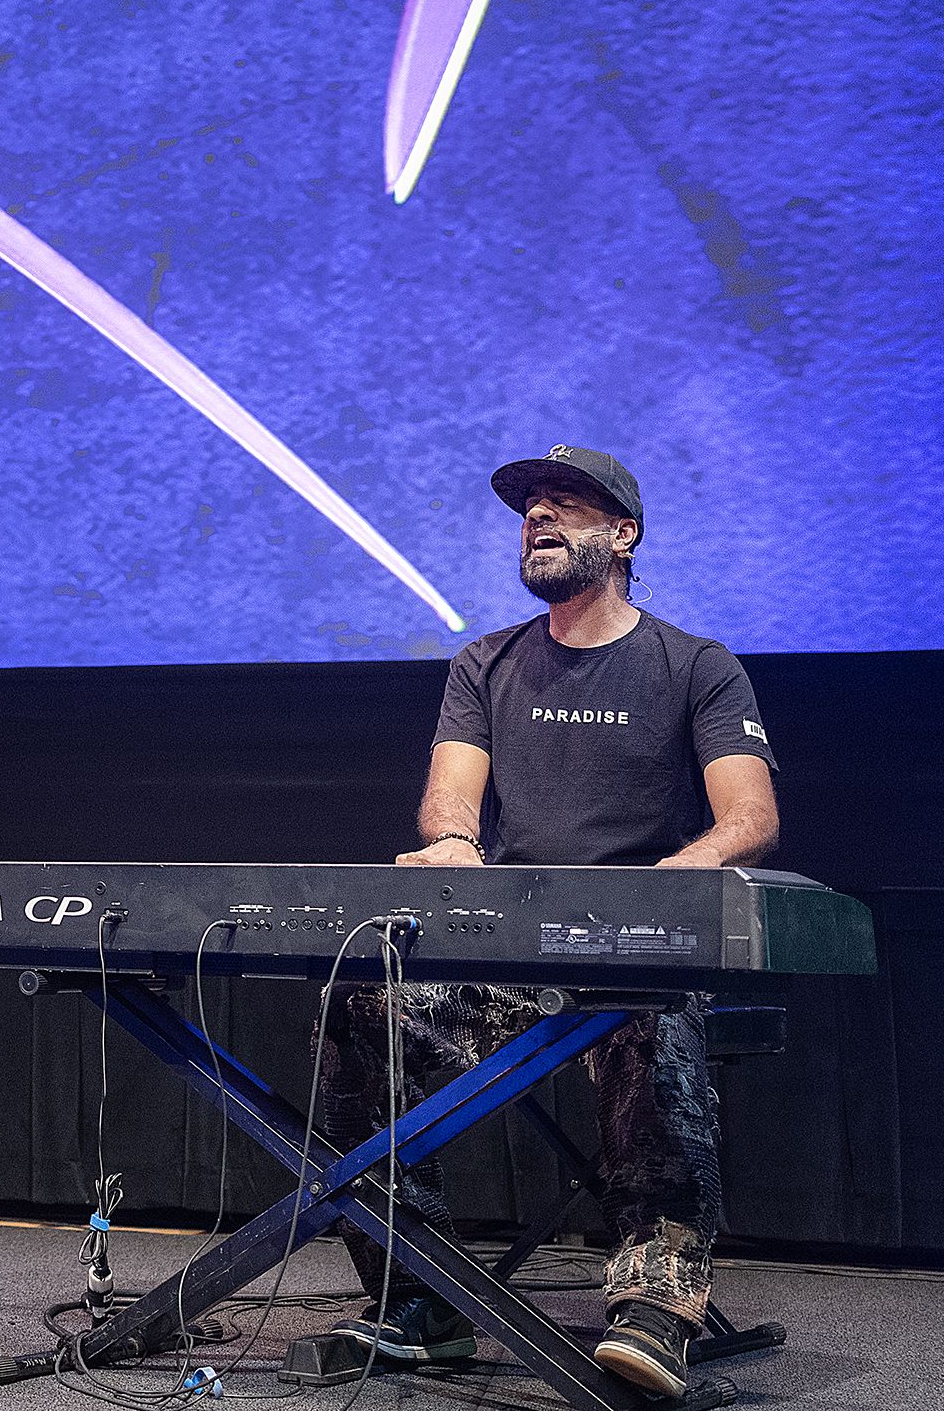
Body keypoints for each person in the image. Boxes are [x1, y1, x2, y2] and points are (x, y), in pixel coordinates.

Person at [317, 445, 781, 1399]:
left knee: (643, 1013)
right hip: (514, 955)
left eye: (567, 504)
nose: (540, 517)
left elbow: (751, 819)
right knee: (367, 1002)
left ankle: (657, 1307)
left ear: (624, 535)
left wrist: (664, 883)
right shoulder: (483, 661)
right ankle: (421, 1295)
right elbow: (453, 798)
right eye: (531, 506)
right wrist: (451, 843)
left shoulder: (696, 665)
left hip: (636, 954)